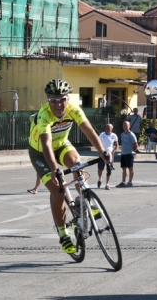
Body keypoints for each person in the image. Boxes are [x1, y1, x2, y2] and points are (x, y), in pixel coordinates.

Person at [28, 79, 110, 255]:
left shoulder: (73, 110)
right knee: (57, 189)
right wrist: (55, 169)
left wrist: (102, 151)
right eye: (53, 100)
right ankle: (63, 235)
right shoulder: (44, 115)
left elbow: (88, 130)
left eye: (62, 99)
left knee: (77, 165)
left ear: (68, 99)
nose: (58, 104)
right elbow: (47, 145)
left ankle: (86, 202)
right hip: (40, 153)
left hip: (63, 145)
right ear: (48, 100)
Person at [116, 120, 138, 188]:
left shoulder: (131, 134)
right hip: (123, 153)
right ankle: (123, 182)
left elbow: (135, 144)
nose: (125, 126)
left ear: (129, 126)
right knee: (124, 168)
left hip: (129, 153)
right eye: (124, 125)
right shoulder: (122, 134)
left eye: (126, 125)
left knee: (130, 168)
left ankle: (130, 182)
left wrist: (134, 151)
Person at [97, 123, 119, 190]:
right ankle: (100, 179)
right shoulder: (102, 135)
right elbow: (98, 143)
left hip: (110, 153)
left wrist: (113, 152)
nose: (108, 128)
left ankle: (107, 184)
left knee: (109, 169)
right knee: (100, 169)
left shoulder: (114, 135)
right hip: (102, 153)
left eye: (109, 127)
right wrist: (100, 150)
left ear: (112, 129)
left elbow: (116, 145)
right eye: (107, 127)